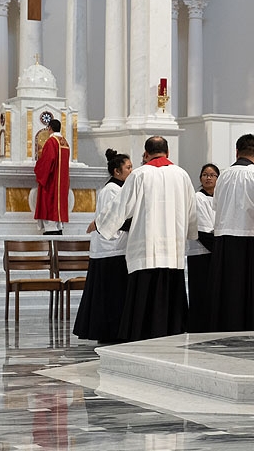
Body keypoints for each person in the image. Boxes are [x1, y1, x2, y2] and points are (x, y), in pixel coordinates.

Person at [91, 136, 197, 341]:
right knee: (170, 289)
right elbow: (191, 210)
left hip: (145, 246)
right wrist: (190, 233)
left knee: (143, 292)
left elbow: (121, 206)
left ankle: (141, 332)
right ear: (167, 153)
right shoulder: (182, 175)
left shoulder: (139, 175)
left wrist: (102, 223)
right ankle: (171, 330)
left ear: (146, 154)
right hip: (173, 247)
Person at [208, 134, 254, 331]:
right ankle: (251, 326)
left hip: (224, 238)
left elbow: (216, 205)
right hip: (251, 237)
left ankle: (225, 326)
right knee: (251, 288)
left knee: (228, 287)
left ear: (236, 151)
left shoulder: (223, 175)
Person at [73, 149, 133, 343]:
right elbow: (112, 220)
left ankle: (116, 330)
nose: (132, 171)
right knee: (110, 295)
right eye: (128, 167)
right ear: (117, 171)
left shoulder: (120, 189)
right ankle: (108, 332)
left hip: (116, 248)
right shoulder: (111, 191)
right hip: (110, 249)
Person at [186, 163, 219, 332]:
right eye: (205, 174)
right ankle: (199, 327)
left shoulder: (221, 199)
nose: (208, 178)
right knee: (201, 292)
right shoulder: (198, 198)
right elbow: (203, 229)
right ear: (200, 178)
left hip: (215, 251)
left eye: (212, 175)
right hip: (201, 252)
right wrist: (220, 250)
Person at [34, 119, 70, 235]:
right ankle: (58, 228)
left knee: (50, 203)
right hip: (62, 181)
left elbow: (47, 161)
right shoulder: (64, 142)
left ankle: (51, 230)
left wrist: (38, 169)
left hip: (52, 181)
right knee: (59, 204)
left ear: (50, 128)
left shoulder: (51, 142)